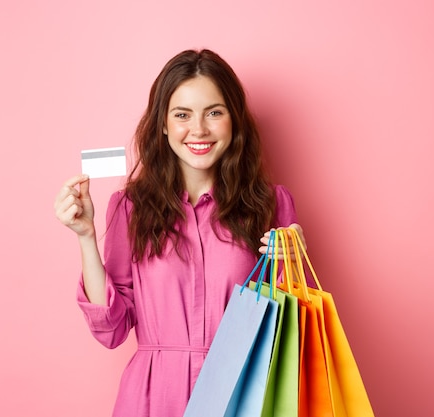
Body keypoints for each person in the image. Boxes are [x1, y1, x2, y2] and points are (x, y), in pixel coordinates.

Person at [54, 49, 306, 417]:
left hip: (242, 396)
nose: (199, 129)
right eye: (182, 114)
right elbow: (111, 330)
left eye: (214, 112)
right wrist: (85, 237)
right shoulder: (130, 208)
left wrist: (294, 263)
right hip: (154, 399)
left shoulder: (271, 204)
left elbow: (289, 332)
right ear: (163, 124)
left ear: (234, 120)